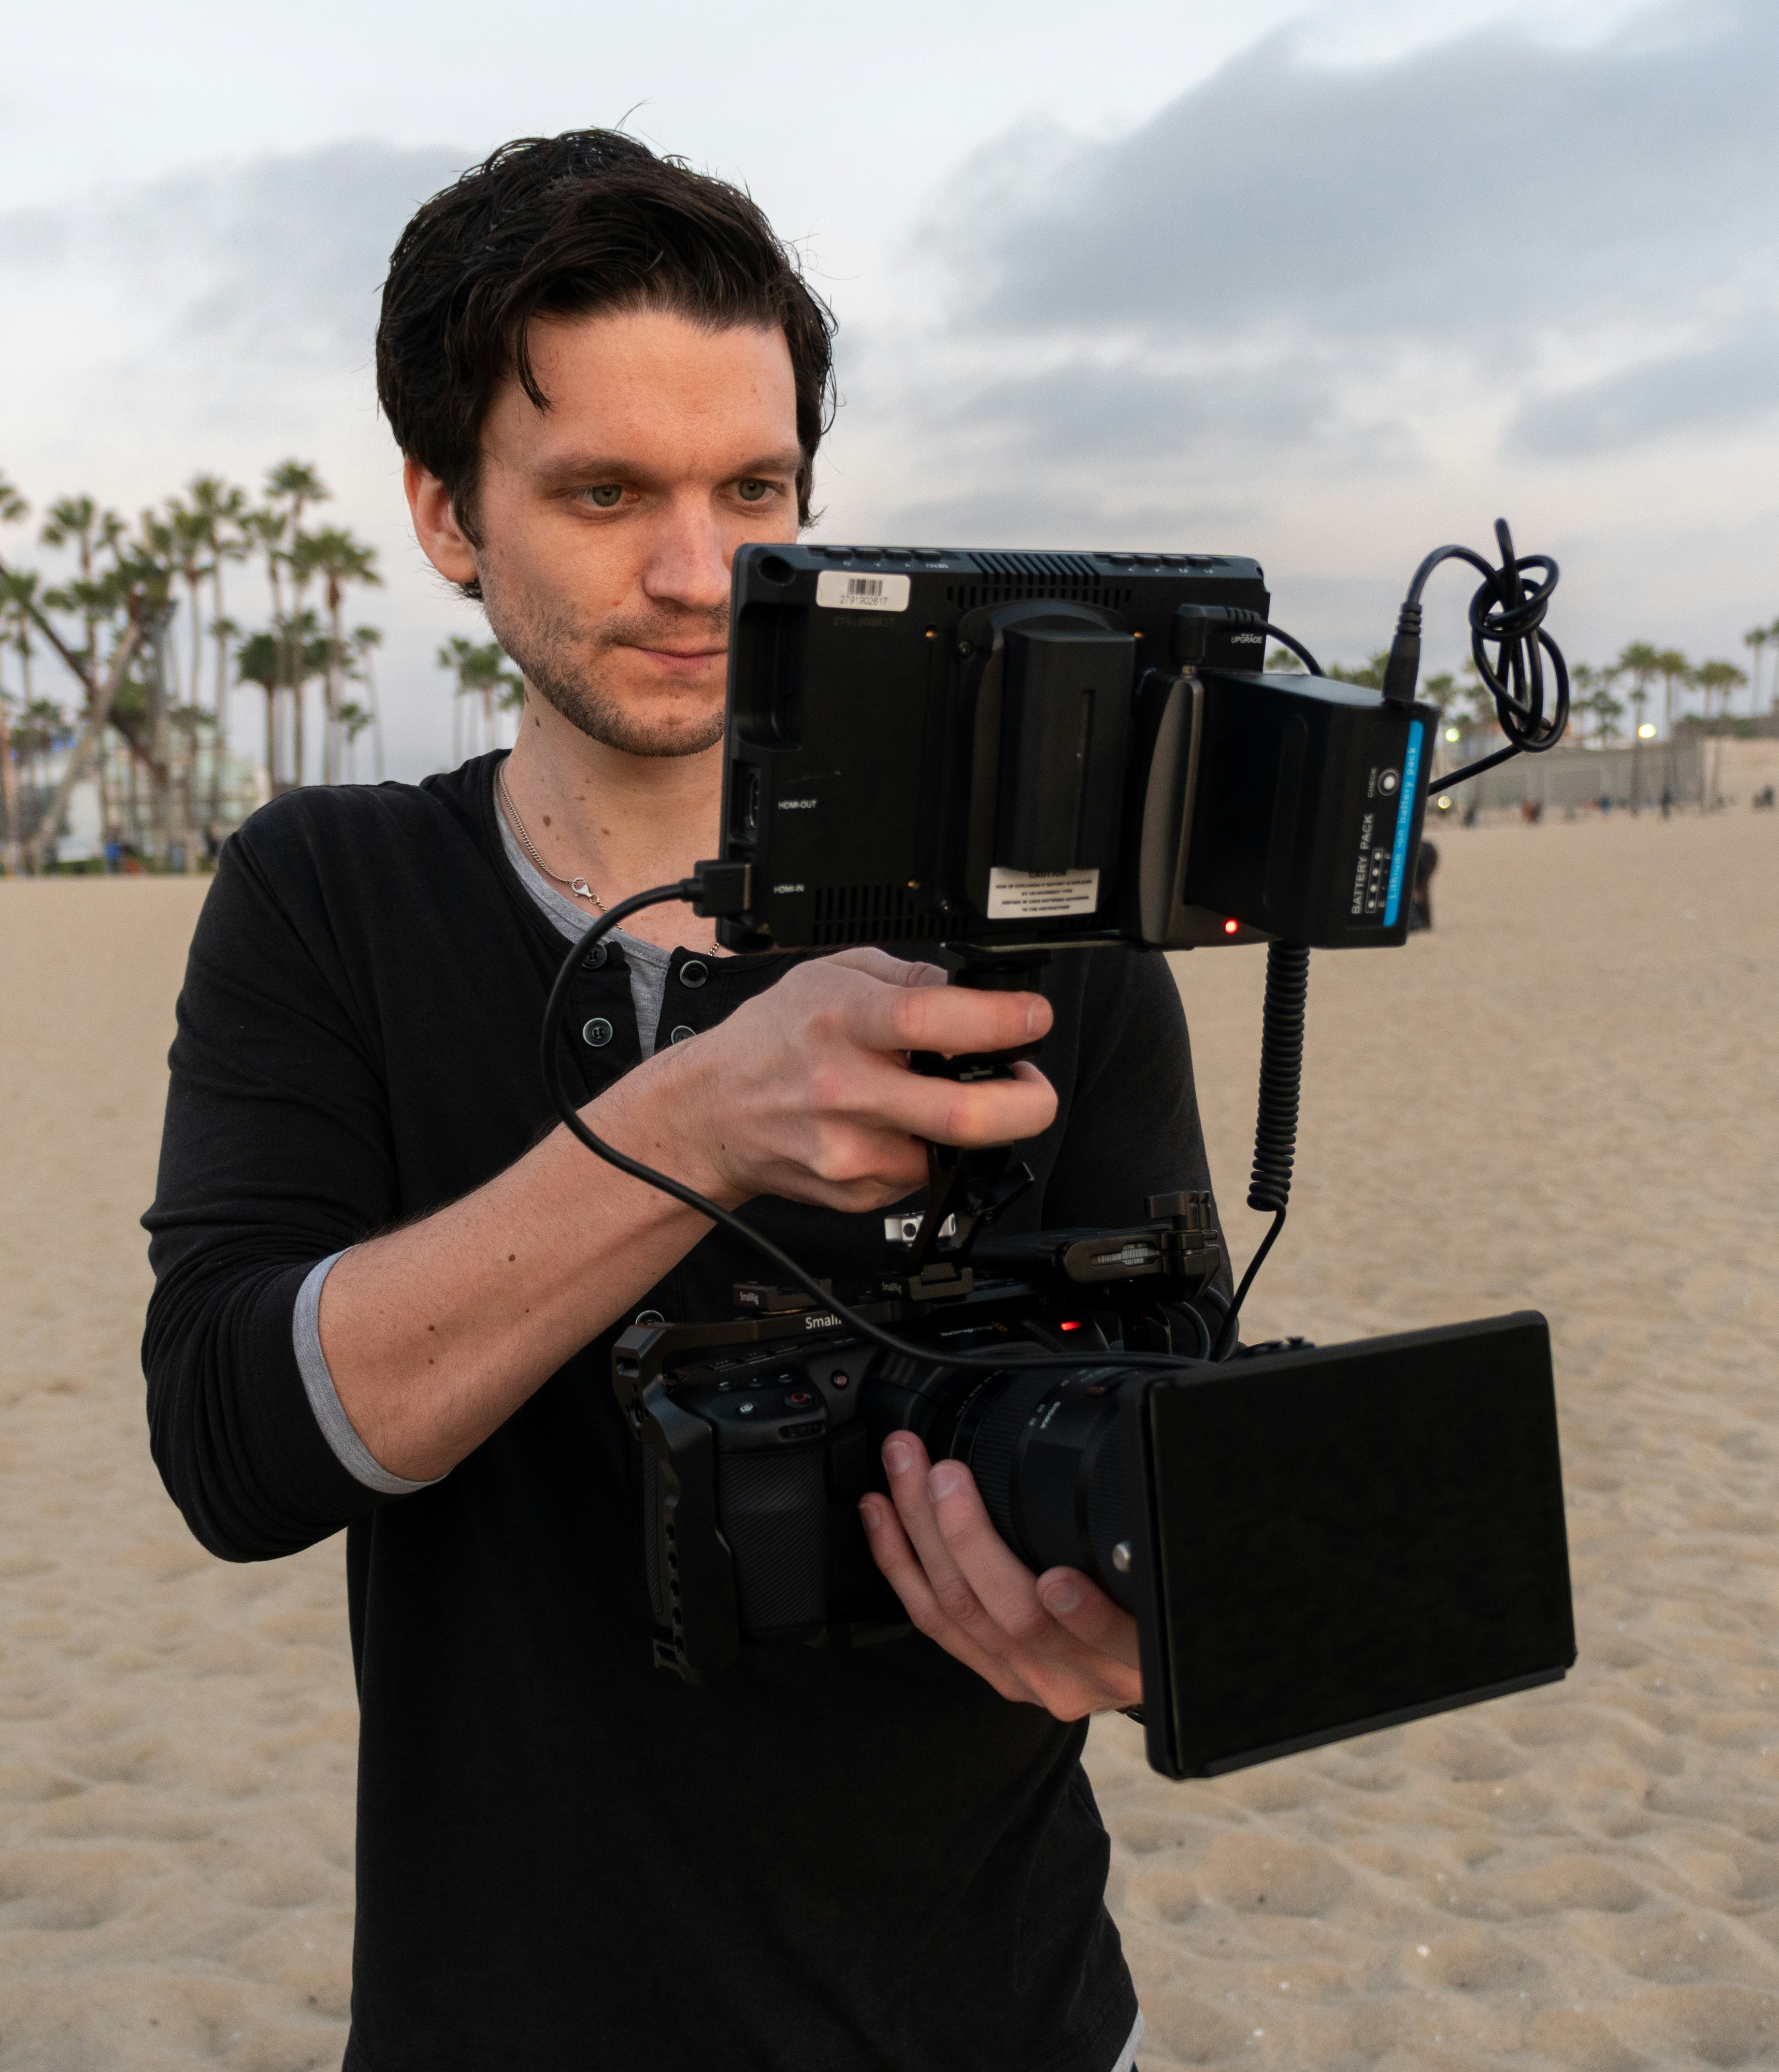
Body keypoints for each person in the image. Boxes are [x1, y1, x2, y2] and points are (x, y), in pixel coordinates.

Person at [141, 132, 1207, 2071]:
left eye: (755, 489)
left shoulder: (1041, 942)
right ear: (448, 515)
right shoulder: (332, 896)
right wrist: (697, 1120)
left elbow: (1161, 1430)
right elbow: (238, 1441)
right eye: (604, 490)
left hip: (1001, 2014)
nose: (699, 571)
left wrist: (1144, 1619)